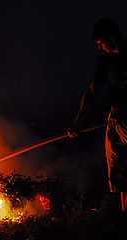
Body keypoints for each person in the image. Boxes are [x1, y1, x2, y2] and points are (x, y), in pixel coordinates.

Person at [68, 19, 127, 214]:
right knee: (118, 169)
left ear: (111, 38)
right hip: (116, 119)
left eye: (101, 43)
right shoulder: (106, 62)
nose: (100, 48)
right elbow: (92, 93)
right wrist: (78, 122)